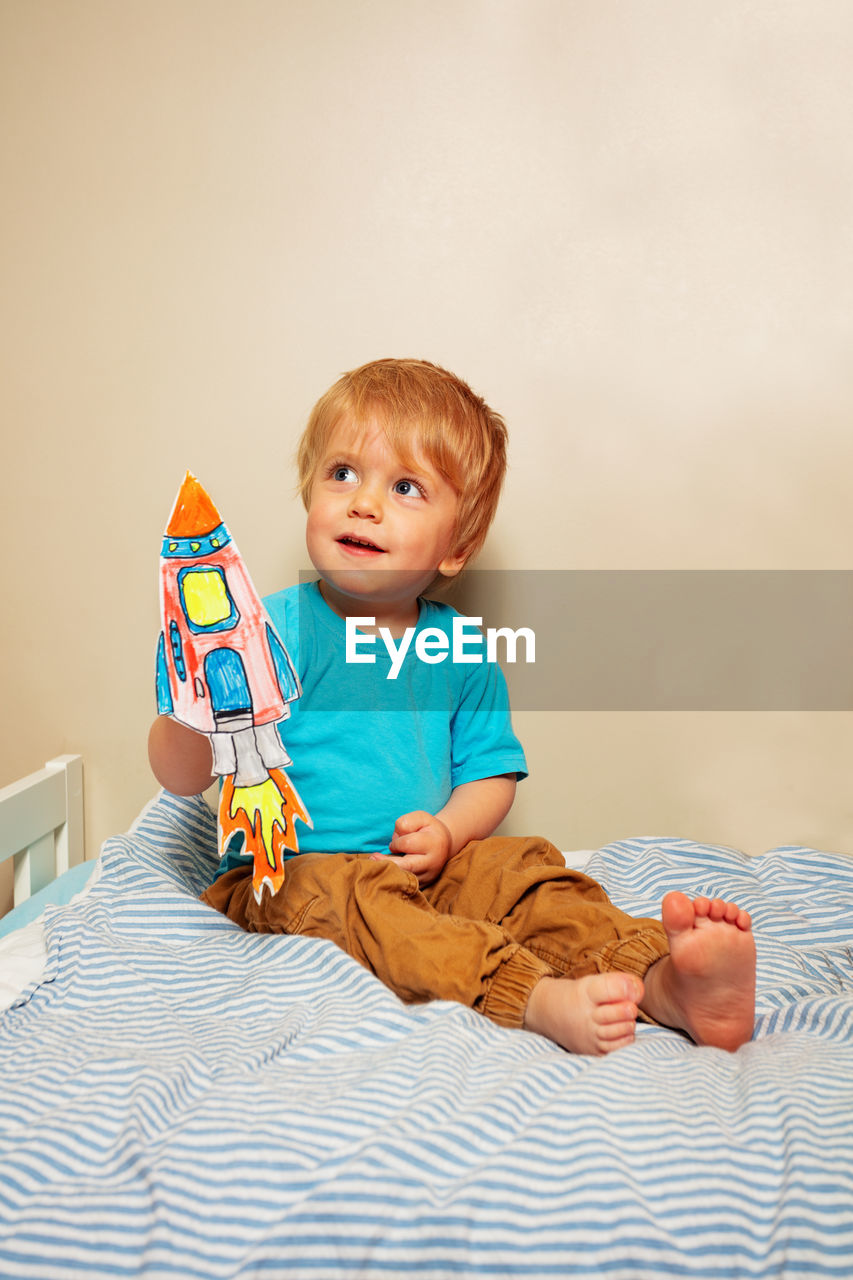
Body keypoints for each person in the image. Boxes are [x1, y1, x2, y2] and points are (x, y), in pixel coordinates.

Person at [148, 358, 756, 1055]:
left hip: (425, 872)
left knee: (524, 867)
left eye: (405, 487)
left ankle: (663, 980)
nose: (363, 502)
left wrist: (446, 833)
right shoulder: (268, 630)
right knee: (374, 909)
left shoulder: (459, 648)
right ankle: (528, 995)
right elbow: (184, 777)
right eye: (341, 473)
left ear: (457, 546)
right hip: (292, 876)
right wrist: (188, 716)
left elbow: (489, 773)